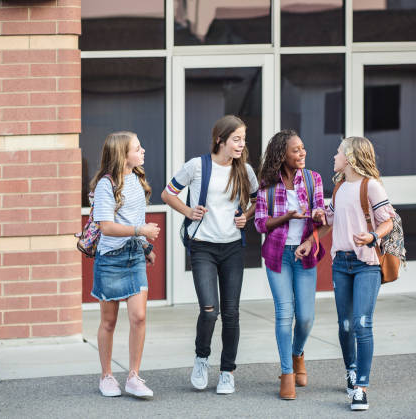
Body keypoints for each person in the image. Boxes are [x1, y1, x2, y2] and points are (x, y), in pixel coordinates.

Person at [161, 115, 259, 395]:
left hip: (231, 248)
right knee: (209, 310)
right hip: (202, 245)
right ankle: (201, 359)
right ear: (221, 140)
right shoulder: (197, 166)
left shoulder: (245, 170)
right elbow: (168, 194)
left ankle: (227, 371)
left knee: (231, 313)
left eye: (243, 139)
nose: (241, 144)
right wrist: (188, 211)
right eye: (236, 139)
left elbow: (256, 200)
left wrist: (246, 218)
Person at [296, 136, 395, 411]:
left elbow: (389, 220)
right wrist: (310, 238)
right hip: (341, 264)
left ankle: (361, 387)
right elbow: (329, 219)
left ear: (350, 158)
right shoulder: (339, 188)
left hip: (367, 264)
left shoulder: (370, 186)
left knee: (362, 323)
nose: (334, 156)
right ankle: (351, 371)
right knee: (345, 325)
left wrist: (373, 236)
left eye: (338, 152)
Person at [254, 129, 327, 400]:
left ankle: (298, 355)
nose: (302, 153)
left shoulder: (313, 179)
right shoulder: (267, 184)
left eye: (303, 148)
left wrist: (318, 215)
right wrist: (286, 217)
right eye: (296, 150)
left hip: (305, 253)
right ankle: (286, 374)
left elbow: (320, 216)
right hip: (278, 255)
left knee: (306, 317)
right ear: (281, 155)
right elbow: (261, 223)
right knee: (284, 313)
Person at [90, 131, 161, 399]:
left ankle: (133, 376)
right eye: (137, 148)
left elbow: (133, 216)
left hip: (134, 255)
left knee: (139, 317)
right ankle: (106, 376)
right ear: (122, 154)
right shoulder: (105, 185)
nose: (143, 151)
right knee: (109, 322)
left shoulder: (137, 180)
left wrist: (144, 247)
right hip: (110, 259)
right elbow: (106, 227)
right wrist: (141, 230)